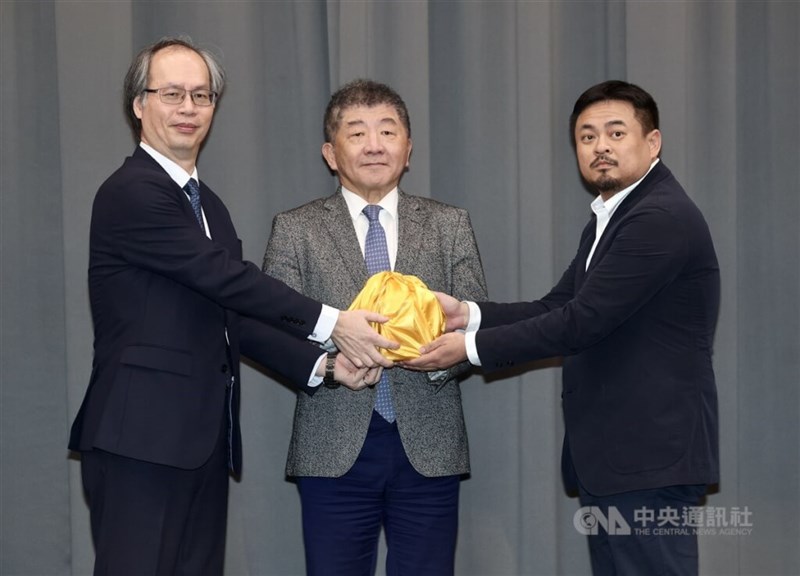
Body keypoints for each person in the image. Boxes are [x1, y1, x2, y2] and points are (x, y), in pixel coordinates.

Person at [68, 37, 396, 575]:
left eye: (201, 95)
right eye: (171, 94)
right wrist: (334, 323)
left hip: (200, 442)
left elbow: (231, 313)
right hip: (141, 440)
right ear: (138, 104)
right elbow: (226, 278)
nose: (188, 108)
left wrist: (324, 365)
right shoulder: (131, 192)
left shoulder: (208, 204)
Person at [406, 80, 720, 576]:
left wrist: (466, 348)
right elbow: (559, 304)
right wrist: (468, 313)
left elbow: (581, 322)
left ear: (652, 142)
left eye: (616, 133)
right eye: (587, 137)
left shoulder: (659, 218)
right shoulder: (611, 216)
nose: (601, 148)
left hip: (648, 458)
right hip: (616, 460)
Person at [262, 79, 488, 575]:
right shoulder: (295, 229)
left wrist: (440, 361)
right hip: (332, 442)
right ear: (330, 152)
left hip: (429, 443)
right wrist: (329, 364)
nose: (374, 145)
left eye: (388, 131)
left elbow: (476, 320)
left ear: (408, 150)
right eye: (357, 132)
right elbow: (272, 327)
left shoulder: (450, 224)